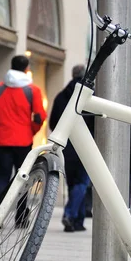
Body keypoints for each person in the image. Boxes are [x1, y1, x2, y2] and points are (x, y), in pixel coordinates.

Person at [0, 55, 46, 225]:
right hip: (24, 141)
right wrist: (31, 130)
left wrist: (4, 122)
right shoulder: (32, 91)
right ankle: (21, 217)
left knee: (2, 176)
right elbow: (40, 116)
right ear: (27, 69)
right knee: (23, 177)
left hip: (3, 140)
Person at [49, 65, 95, 232]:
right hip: (85, 147)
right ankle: (69, 214)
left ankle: (77, 221)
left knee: (73, 184)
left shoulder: (61, 96)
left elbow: (53, 122)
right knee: (82, 183)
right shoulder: (90, 97)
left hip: (67, 147)